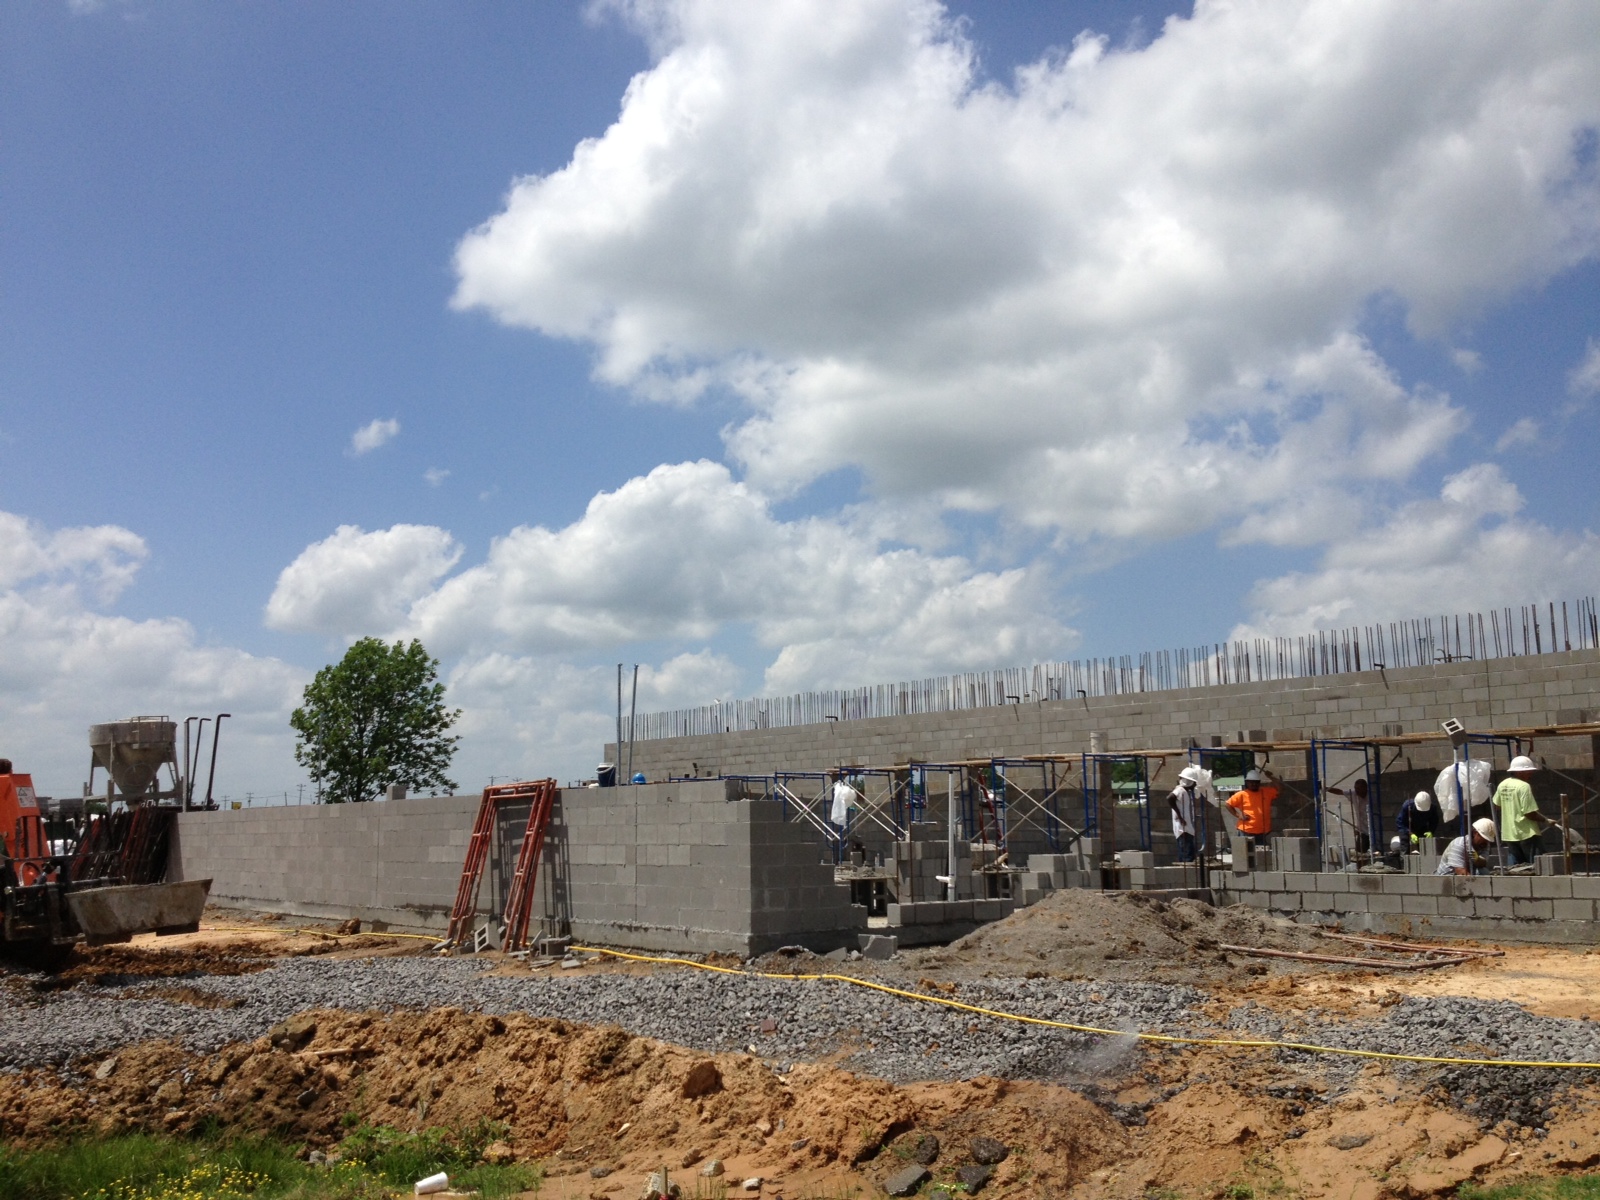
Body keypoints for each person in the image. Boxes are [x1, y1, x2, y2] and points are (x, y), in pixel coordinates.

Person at [1491, 755, 1550, 865]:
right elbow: (1529, 813)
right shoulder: (1524, 786)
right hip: (1526, 833)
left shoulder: (1503, 784)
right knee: (1537, 865)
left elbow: (1497, 805)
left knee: (1515, 867)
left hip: (1509, 833)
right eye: (1528, 771)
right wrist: (1545, 820)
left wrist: (1511, 806)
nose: (1530, 773)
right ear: (1519, 772)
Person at [1226, 766, 1280, 849]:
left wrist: (1270, 777)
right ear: (1247, 782)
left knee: (1261, 856)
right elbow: (1228, 804)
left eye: (1256, 782)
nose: (1254, 784)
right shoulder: (1241, 794)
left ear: (1259, 782)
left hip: (1263, 831)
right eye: (1251, 782)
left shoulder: (1266, 792)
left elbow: (1280, 789)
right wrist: (1238, 815)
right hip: (1246, 830)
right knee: (1246, 854)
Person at [1168, 765, 1205, 863]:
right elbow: (1170, 798)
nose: (1195, 785)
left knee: (1189, 855)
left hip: (1187, 829)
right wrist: (1180, 816)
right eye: (1194, 783)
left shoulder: (1186, 792)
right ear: (1189, 782)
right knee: (1186, 856)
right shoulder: (1180, 790)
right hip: (1183, 830)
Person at [1326, 777, 1373, 852]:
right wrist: (1325, 788)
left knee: (1375, 853)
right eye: (1356, 788)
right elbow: (1340, 792)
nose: (1357, 791)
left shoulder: (1372, 796)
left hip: (1374, 831)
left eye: (1359, 789)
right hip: (1363, 831)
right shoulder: (1354, 794)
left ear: (1365, 788)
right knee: (1360, 853)